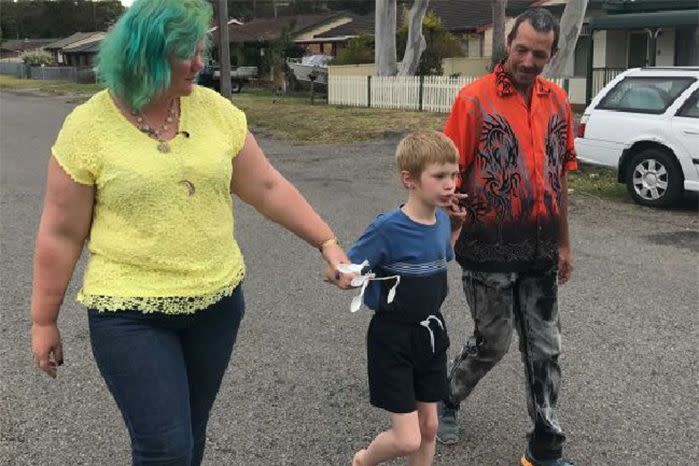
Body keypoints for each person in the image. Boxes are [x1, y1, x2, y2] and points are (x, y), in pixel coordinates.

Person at [29, 1, 351, 465]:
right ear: (146, 54)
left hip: (216, 308)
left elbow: (266, 186)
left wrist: (326, 241)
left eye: (202, 49)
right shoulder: (88, 128)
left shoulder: (215, 112)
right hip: (129, 313)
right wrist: (44, 320)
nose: (201, 63)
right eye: (188, 52)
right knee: (165, 447)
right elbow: (60, 233)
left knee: (189, 437)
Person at [436, 8, 577, 466]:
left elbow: (560, 178)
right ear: (508, 45)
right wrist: (444, 230)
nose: (528, 60)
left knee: (545, 348)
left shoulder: (557, 100)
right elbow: (448, 175)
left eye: (540, 53)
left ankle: (545, 445)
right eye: (521, 49)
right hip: (485, 251)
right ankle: (447, 398)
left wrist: (563, 243)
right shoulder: (473, 100)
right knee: (492, 342)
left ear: (551, 55)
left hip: (539, 252)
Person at [339, 131, 463, 466]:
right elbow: (349, 267)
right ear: (409, 179)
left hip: (431, 333)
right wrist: (345, 277)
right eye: (439, 176)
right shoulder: (387, 229)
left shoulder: (441, 219)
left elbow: (442, 255)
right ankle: (364, 460)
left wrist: (455, 228)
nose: (450, 184)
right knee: (408, 439)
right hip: (393, 338)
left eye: (454, 174)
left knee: (431, 425)